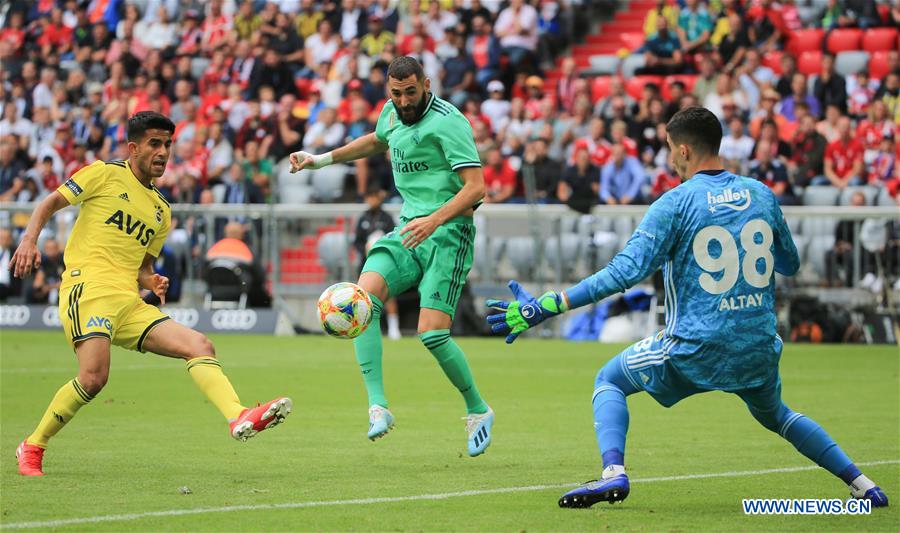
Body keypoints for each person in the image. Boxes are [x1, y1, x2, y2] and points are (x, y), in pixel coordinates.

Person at [484, 107, 888, 509]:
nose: (668, 158)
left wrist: (550, 305)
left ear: (682, 151)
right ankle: (863, 484)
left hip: (695, 346)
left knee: (609, 380)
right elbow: (791, 263)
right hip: (757, 345)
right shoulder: (760, 194)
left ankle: (613, 474)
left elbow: (623, 272)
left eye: (667, 149)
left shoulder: (674, 204)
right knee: (777, 416)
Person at [11, 112, 291, 477]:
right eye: (155, 144)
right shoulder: (104, 173)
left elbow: (141, 265)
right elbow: (49, 203)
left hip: (128, 302)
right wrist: (30, 239)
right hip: (89, 289)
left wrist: (151, 280)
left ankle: (238, 416)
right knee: (94, 377)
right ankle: (33, 445)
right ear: (134, 147)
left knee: (200, 345)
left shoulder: (161, 210)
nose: (163, 152)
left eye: (168, 145)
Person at [289, 57, 494, 456]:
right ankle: (378, 406)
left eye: (410, 92)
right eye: (396, 93)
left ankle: (478, 409)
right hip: (408, 229)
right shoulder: (392, 113)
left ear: (427, 84)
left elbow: (476, 188)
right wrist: (320, 159)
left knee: (432, 334)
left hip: (448, 233)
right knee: (362, 301)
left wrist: (433, 221)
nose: (403, 101)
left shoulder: (449, 122)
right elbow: (375, 140)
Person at [353, 187, 402, 340]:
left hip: (384, 263)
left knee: (388, 295)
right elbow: (357, 242)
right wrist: (366, 250)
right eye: (368, 198)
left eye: (373, 197)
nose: (371, 201)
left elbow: (394, 238)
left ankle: (394, 328)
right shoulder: (363, 218)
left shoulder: (386, 218)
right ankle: (365, 328)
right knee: (363, 297)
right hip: (366, 264)